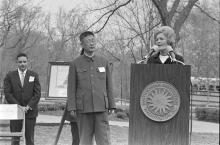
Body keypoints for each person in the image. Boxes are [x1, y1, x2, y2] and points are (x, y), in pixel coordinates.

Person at [67, 31, 115, 145]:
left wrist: (111, 104)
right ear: (82, 44)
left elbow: (109, 85)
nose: (92, 43)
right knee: (85, 140)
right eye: (88, 41)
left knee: (104, 140)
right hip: (83, 108)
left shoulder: (103, 61)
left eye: (93, 40)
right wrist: (72, 107)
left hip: (101, 107)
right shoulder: (75, 63)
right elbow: (71, 87)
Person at [4, 53, 41, 145]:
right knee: (15, 139)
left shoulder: (34, 75)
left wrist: (28, 106)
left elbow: (37, 93)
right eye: (20, 62)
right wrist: (19, 106)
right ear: (17, 62)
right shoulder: (10, 76)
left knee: (29, 139)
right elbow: (8, 93)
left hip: (30, 113)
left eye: (24, 61)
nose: (22, 64)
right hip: (15, 113)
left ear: (27, 62)